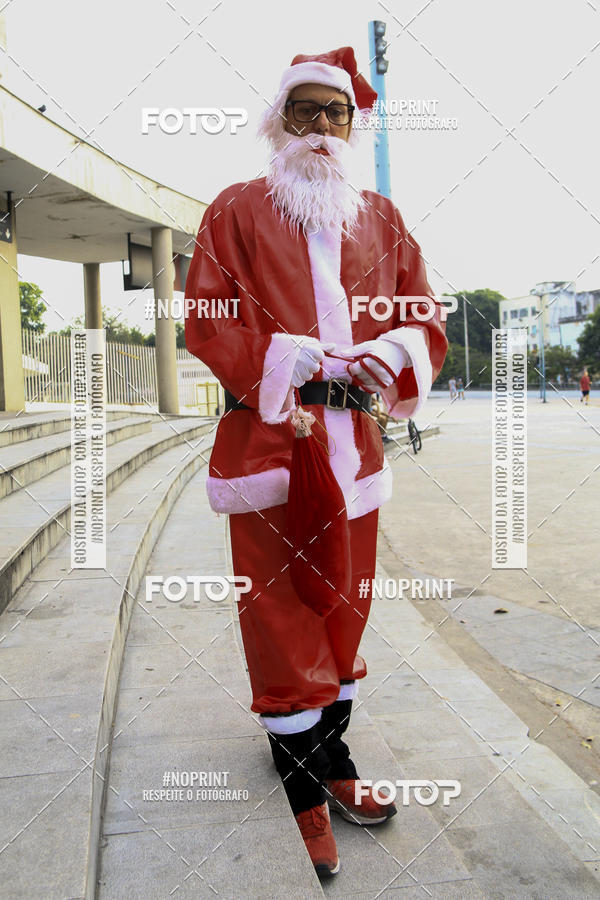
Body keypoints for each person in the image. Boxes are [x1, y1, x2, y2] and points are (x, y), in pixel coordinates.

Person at [184, 46, 448, 878]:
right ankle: (306, 786)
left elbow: (423, 313)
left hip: (355, 450)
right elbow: (206, 319)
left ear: (351, 126)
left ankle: (326, 755)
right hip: (271, 444)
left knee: (344, 604)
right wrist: (280, 357)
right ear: (280, 121)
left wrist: (398, 350)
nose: (322, 126)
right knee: (278, 608)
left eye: (336, 113)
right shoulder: (235, 209)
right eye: (305, 110)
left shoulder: (383, 218)